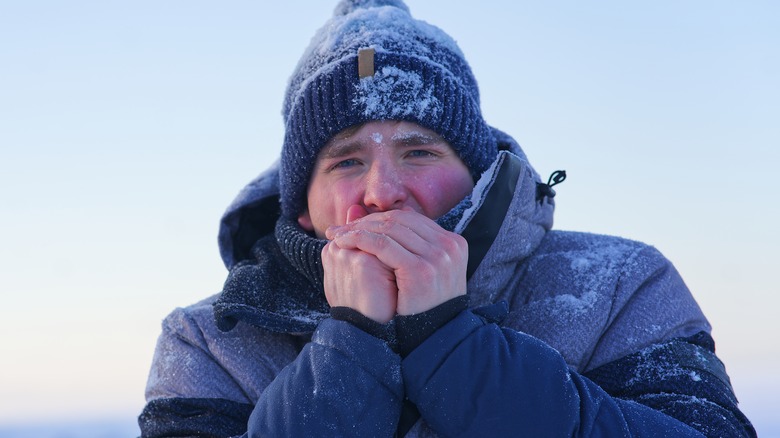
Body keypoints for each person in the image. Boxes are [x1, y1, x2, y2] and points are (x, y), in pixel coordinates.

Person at [138, 1, 756, 436]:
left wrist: (451, 345)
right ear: (302, 205)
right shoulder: (211, 341)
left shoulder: (618, 284)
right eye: (346, 161)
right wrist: (352, 344)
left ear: (477, 171)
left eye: (419, 151)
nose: (383, 191)